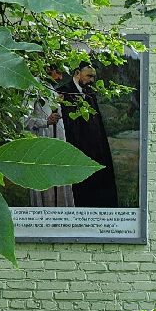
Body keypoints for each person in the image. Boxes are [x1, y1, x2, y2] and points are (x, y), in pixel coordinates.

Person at [56, 62, 119, 207]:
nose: (92, 80)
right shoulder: (63, 92)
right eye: (89, 76)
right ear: (77, 73)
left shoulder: (90, 93)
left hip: (94, 147)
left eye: (93, 77)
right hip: (75, 146)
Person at [23, 66, 74, 207]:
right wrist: (45, 122)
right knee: (45, 182)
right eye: (58, 72)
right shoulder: (33, 86)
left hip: (57, 141)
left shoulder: (51, 88)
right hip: (42, 140)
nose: (60, 78)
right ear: (48, 68)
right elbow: (24, 119)